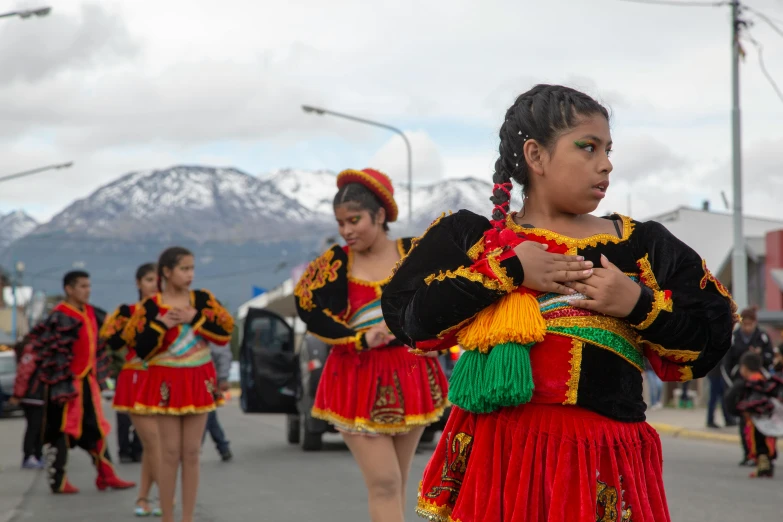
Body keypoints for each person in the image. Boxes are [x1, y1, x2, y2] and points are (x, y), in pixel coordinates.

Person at [381, 84, 736, 522]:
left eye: (608, 149)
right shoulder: (474, 240)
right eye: (587, 148)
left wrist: (637, 305)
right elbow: (408, 318)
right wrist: (508, 271)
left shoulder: (641, 246)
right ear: (536, 155)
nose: (605, 164)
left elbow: (710, 338)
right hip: (502, 454)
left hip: (601, 458)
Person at [294, 168, 449, 522]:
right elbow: (307, 306)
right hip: (356, 375)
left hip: (411, 372)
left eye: (354, 220)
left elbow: (445, 299)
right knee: (383, 482)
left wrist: (429, 335)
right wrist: (358, 336)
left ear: (379, 215)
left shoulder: (414, 252)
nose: (346, 231)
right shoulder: (335, 263)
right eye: (340, 223)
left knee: (398, 482)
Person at [121, 247, 233, 522]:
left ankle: (188, 518)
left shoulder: (203, 299)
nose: (190, 274)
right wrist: (159, 325)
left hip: (199, 379)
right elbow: (138, 347)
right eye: (184, 269)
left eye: (192, 268)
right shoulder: (151, 306)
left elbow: (225, 332)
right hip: (165, 381)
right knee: (169, 452)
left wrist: (194, 318)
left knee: (192, 452)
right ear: (167, 272)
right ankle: (168, 517)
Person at [11, 271, 135, 494]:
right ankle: (58, 480)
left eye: (88, 285)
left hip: (88, 382)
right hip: (64, 384)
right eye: (82, 286)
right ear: (69, 289)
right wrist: (58, 381)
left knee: (96, 428)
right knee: (60, 430)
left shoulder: (91, 312)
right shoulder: (59, 316)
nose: (87, 290)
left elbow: (111, 333)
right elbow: (48, 352)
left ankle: (107, 475)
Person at [101, 262, 162, 516]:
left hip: (164, 379)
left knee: (152, 445)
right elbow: (113, 342)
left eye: (158, 280)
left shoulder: (172, 310)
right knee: (155, 443)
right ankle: (165, 496)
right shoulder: (126, 312)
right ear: (138, 283)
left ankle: (143, 498)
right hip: (136, 378)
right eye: (149, 279)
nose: (154, 285)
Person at [725, 307, 774, 465]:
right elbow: (726, 362)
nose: (747, 328)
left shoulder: (763, 337)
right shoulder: (734, 338)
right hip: (741, 384)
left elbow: (770, 358)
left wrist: (760, 356)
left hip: (759, 386)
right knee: (744, 421)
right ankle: (748, 453)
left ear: (755, 323)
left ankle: (763, 453)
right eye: (744, 324)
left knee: (760, 422)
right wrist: (734, 382)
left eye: (750, 324)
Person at [725, 351, 781, 478]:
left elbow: (729, 398)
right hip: (768, 418)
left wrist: (738, 411)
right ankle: (767, 465)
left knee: (757, 442)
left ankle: (763, 465)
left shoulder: (745, 384)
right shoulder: (767, 382)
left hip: (752, 418)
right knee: (768, 440)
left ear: (743, 368)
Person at [10, 333, 45, 469]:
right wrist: (18, 394)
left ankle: (37, 455)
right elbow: (23, 375)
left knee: (37, 428)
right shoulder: (31, 353)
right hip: (32, 397)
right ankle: (28, 456)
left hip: (36, 397)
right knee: (33, 427)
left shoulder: (34, 352)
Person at [202, 343, 233, 461]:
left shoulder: (209, 328)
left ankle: (194, 447)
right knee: (210, 415)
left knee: (206, 413)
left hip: (207, 379)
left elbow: (222, 354)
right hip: (192, 378)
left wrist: (223, 378)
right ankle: (223, 447)